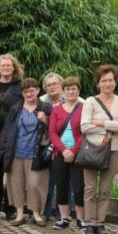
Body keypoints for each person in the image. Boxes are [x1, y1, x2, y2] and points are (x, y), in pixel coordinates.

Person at [80, 64, 118, 234]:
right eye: (104, 80)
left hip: (113, 149)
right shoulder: (90, 101)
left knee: (106, 189)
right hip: (92, 149)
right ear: (98, 83)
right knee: (90, 188)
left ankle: (100, 223)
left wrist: (99, 122)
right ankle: (90, 223)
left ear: (115, 82)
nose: (107, 83)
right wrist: (110, 126)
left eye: (111, 80)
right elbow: (84, 126)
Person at [0, 77, 51, 227]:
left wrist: (45, 120)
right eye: (25, 91)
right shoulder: (16, 108)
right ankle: (20, 213)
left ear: (38, 91)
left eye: (31, 91)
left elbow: (55, 129)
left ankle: (35, 213)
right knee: (16, 184)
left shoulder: (46, 107)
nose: (29, 94)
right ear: (22, 93)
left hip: (36, 153)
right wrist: (2, 149)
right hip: (16, 153)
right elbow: (7, 129)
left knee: (35, 184)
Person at [0, 53, 23, 220]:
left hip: (12, 133)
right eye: (3, 65)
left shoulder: (19, 86)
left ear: (14, 67)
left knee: (10, 173)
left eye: (9, 65)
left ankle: (10, 209)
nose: (6, 68)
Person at [48, 76, 87, 230]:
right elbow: (52, 132)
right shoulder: (56, 109)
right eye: (68, 89)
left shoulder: (84, 108)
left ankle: (81, 219)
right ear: (63, 91)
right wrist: (64, 150)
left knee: (79, 188)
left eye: (74, 88)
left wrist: (73, 151)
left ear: (78, 90)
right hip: (60, 153)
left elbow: (85, 132)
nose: (70, 91)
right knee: (61, 186)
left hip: (78, 154)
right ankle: (64, 218)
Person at [40, 72, 66, 219]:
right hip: (46, 146)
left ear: (61, 85)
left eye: (55, 84)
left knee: (64, 181)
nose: (52, 87)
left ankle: (63, 214)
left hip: (66, 146)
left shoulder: (73, 100)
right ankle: (46, 212)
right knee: (47, 181)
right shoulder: (42, 102)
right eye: (49, 85)